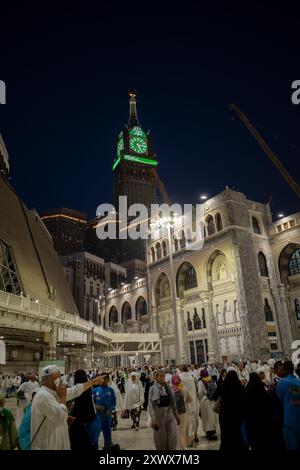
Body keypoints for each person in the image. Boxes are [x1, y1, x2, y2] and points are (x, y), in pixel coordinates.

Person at [31, 365, 101, 450]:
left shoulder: (52, 393)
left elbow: (74, 391)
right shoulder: (43, 396)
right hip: (48, 446)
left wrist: (92, 382)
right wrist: (63, 397)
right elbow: (60, 417)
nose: (61, 381)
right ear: (51, 380)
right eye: (59, 378)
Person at [148, 369, 179, 450]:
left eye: (163, 376)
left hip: (169, 414)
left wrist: (176, 416)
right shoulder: (152, 389)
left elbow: (173, 402)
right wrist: (153, 418)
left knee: (173, 435)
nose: (162, 378)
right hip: (158, 416)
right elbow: (150, 405)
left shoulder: (168, 387)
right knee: (160, 439)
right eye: (160, 376)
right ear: (156, 377)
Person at [69, 369, 97, 450]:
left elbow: (83, 406)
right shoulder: (87, 389)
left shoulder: (80, 390)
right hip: (86, 422)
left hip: (80, 423)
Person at [244, 372, 273, 451]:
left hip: (251, 421)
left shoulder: (247, 391)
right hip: (262, 421)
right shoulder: (262, 390)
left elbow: (245, 406)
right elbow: (268, 404)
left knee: (254, 441)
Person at [219, 370, 246, 451]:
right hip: (237, 417)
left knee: (227, 435)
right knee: (237, 435)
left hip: (226, 416)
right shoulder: (239, 387)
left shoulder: (224, 387)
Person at [277, 361, 300, 450]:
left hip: (289, 418)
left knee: (291, 447)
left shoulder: (282, 382)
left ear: (285, 370)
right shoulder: (298, 382)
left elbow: (279, 396)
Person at [93, 372, 116, 448]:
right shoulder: (95, 390)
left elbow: (113, 403)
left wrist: (110, 409)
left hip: (107, 416)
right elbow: (91, 403)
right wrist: (96, 407)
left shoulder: (111, 390)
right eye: (102, 378)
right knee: (95, 434)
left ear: (108, 379)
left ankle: (108, 445)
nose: (104, 380)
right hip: (98, 417)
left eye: (106, 379)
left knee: (107, 433)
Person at [267, 360, 286, 450]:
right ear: (275, 370)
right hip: (277, 411)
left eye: (283, 369)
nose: (282, 371)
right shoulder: (272, 383)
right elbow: (270, 399)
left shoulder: (287, 381)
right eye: (280, 369)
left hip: (287, 411)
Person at [179, 365, 199, 446]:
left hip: (183, 403)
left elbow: (179, 390)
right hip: (192, 401)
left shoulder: (179, 377)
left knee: (184, 422)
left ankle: (187, 440)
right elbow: (194, 390)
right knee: (192, 421)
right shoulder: (191, 377)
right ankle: (193, 437)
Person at [171, 373, 191, 449]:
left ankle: (177, 447)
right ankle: (182, 447)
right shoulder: (184, 388)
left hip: (174, 413)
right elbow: (190, 400)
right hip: (183, 412)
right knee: (182, 431)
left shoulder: (170, 389)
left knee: (176, 431)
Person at [198, 370, 217, 440]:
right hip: (212, 401)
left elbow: (199, 392)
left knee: (207, 418)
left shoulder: (201, 382)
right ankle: (214, 432)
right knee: (212, 418)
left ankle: (209, 434)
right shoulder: (212, 380)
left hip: (205, 401)